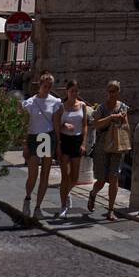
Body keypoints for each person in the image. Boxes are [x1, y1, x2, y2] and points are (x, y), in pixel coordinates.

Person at [21, 72, 61, 219]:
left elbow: (56, 123)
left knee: (45, 174)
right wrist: (24, 144)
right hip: (34, 137)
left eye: (50, 86)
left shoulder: (55, 102)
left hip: (47, 137)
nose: (47, 89)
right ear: (40, 85)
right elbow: (25, 124)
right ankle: (28, 197)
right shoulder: (30, 102)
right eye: (45, 86)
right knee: (33, 174)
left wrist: (58, 144)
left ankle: (38, 207)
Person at [88, 80, 130, 220]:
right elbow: (96, 125)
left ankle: (111, 209)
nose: (112, 94)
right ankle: (93, 193)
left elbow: (126, 126)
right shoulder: (101, 108)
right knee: (101, 180)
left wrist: (122, 120)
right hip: (102, 145)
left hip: (117, 146)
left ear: (119, 91)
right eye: (110, 91)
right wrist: (111, 117)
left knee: (114, 178)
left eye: (115, 90)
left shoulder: (123, 107)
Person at [54, 79, 88, 220]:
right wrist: (63, 128)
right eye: (71, 91)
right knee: (65, 176)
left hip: (77, 140)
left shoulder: (82, 106)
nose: (74, 93)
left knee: (74, 177)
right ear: (67, 92)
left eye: (76, 91)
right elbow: (56, 125)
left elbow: (85, 124)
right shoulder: (61, 107)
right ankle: (63, 206)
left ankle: (66, 192)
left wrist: (83, 143)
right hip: (64, 140)